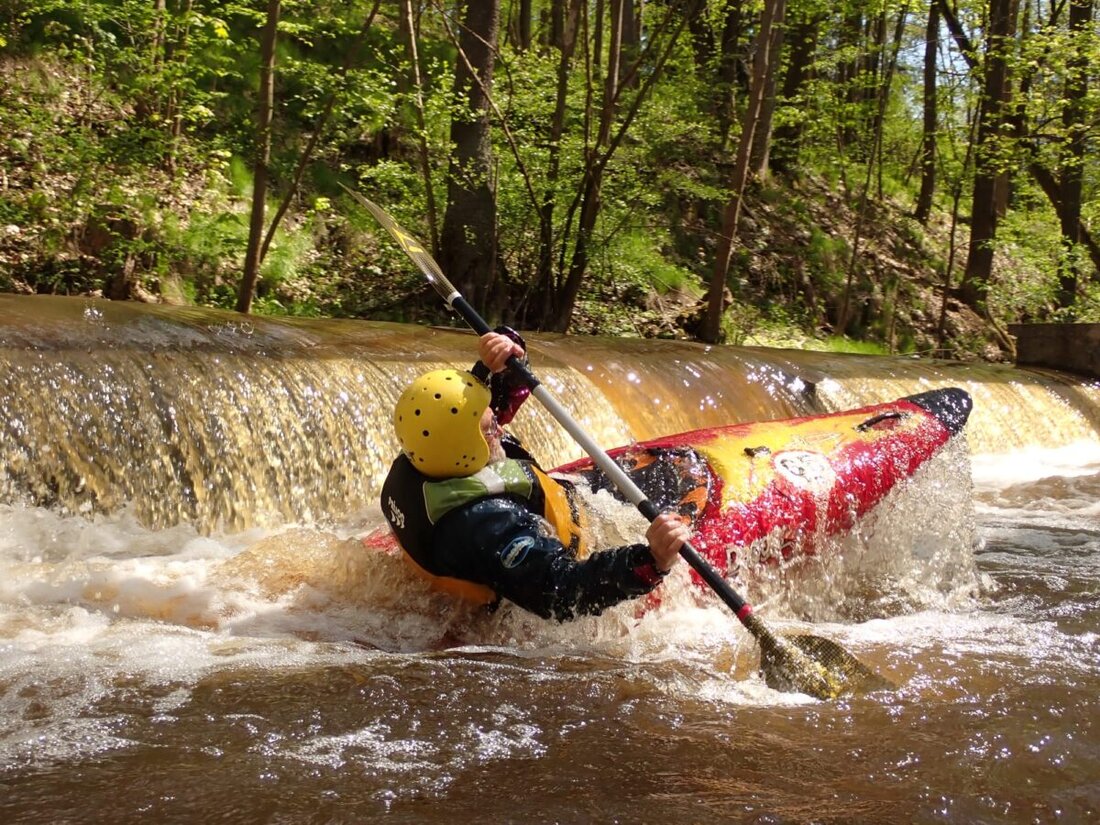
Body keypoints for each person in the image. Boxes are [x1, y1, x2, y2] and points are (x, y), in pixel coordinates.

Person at [380, 329, 691, 621]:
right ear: (467, 449)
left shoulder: (429, 450)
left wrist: (502, 357)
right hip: (509, 591)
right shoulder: (491, 524)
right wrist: (651, 562)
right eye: (491, 429)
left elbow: (463, 413)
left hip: (469, 553)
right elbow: (562, 592)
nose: (500, 427)